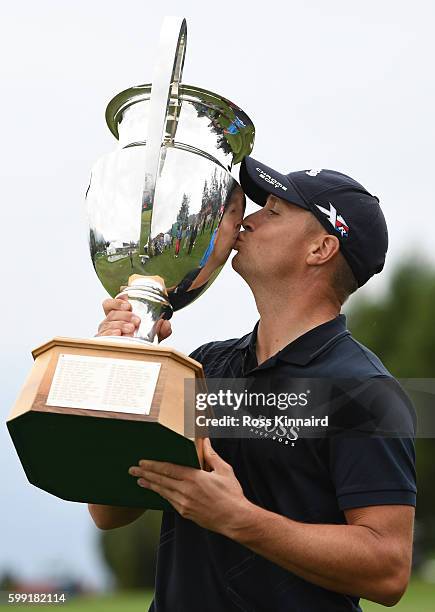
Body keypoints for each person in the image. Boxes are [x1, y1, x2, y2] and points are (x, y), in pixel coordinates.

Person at [90, 157, 416, 611]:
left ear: (321, 249)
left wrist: (239, 519)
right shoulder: (206, 366)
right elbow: (109, 511)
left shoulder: (365, 392)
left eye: (274, 211)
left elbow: (389, 570)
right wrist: (128, 366)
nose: (248, 218)